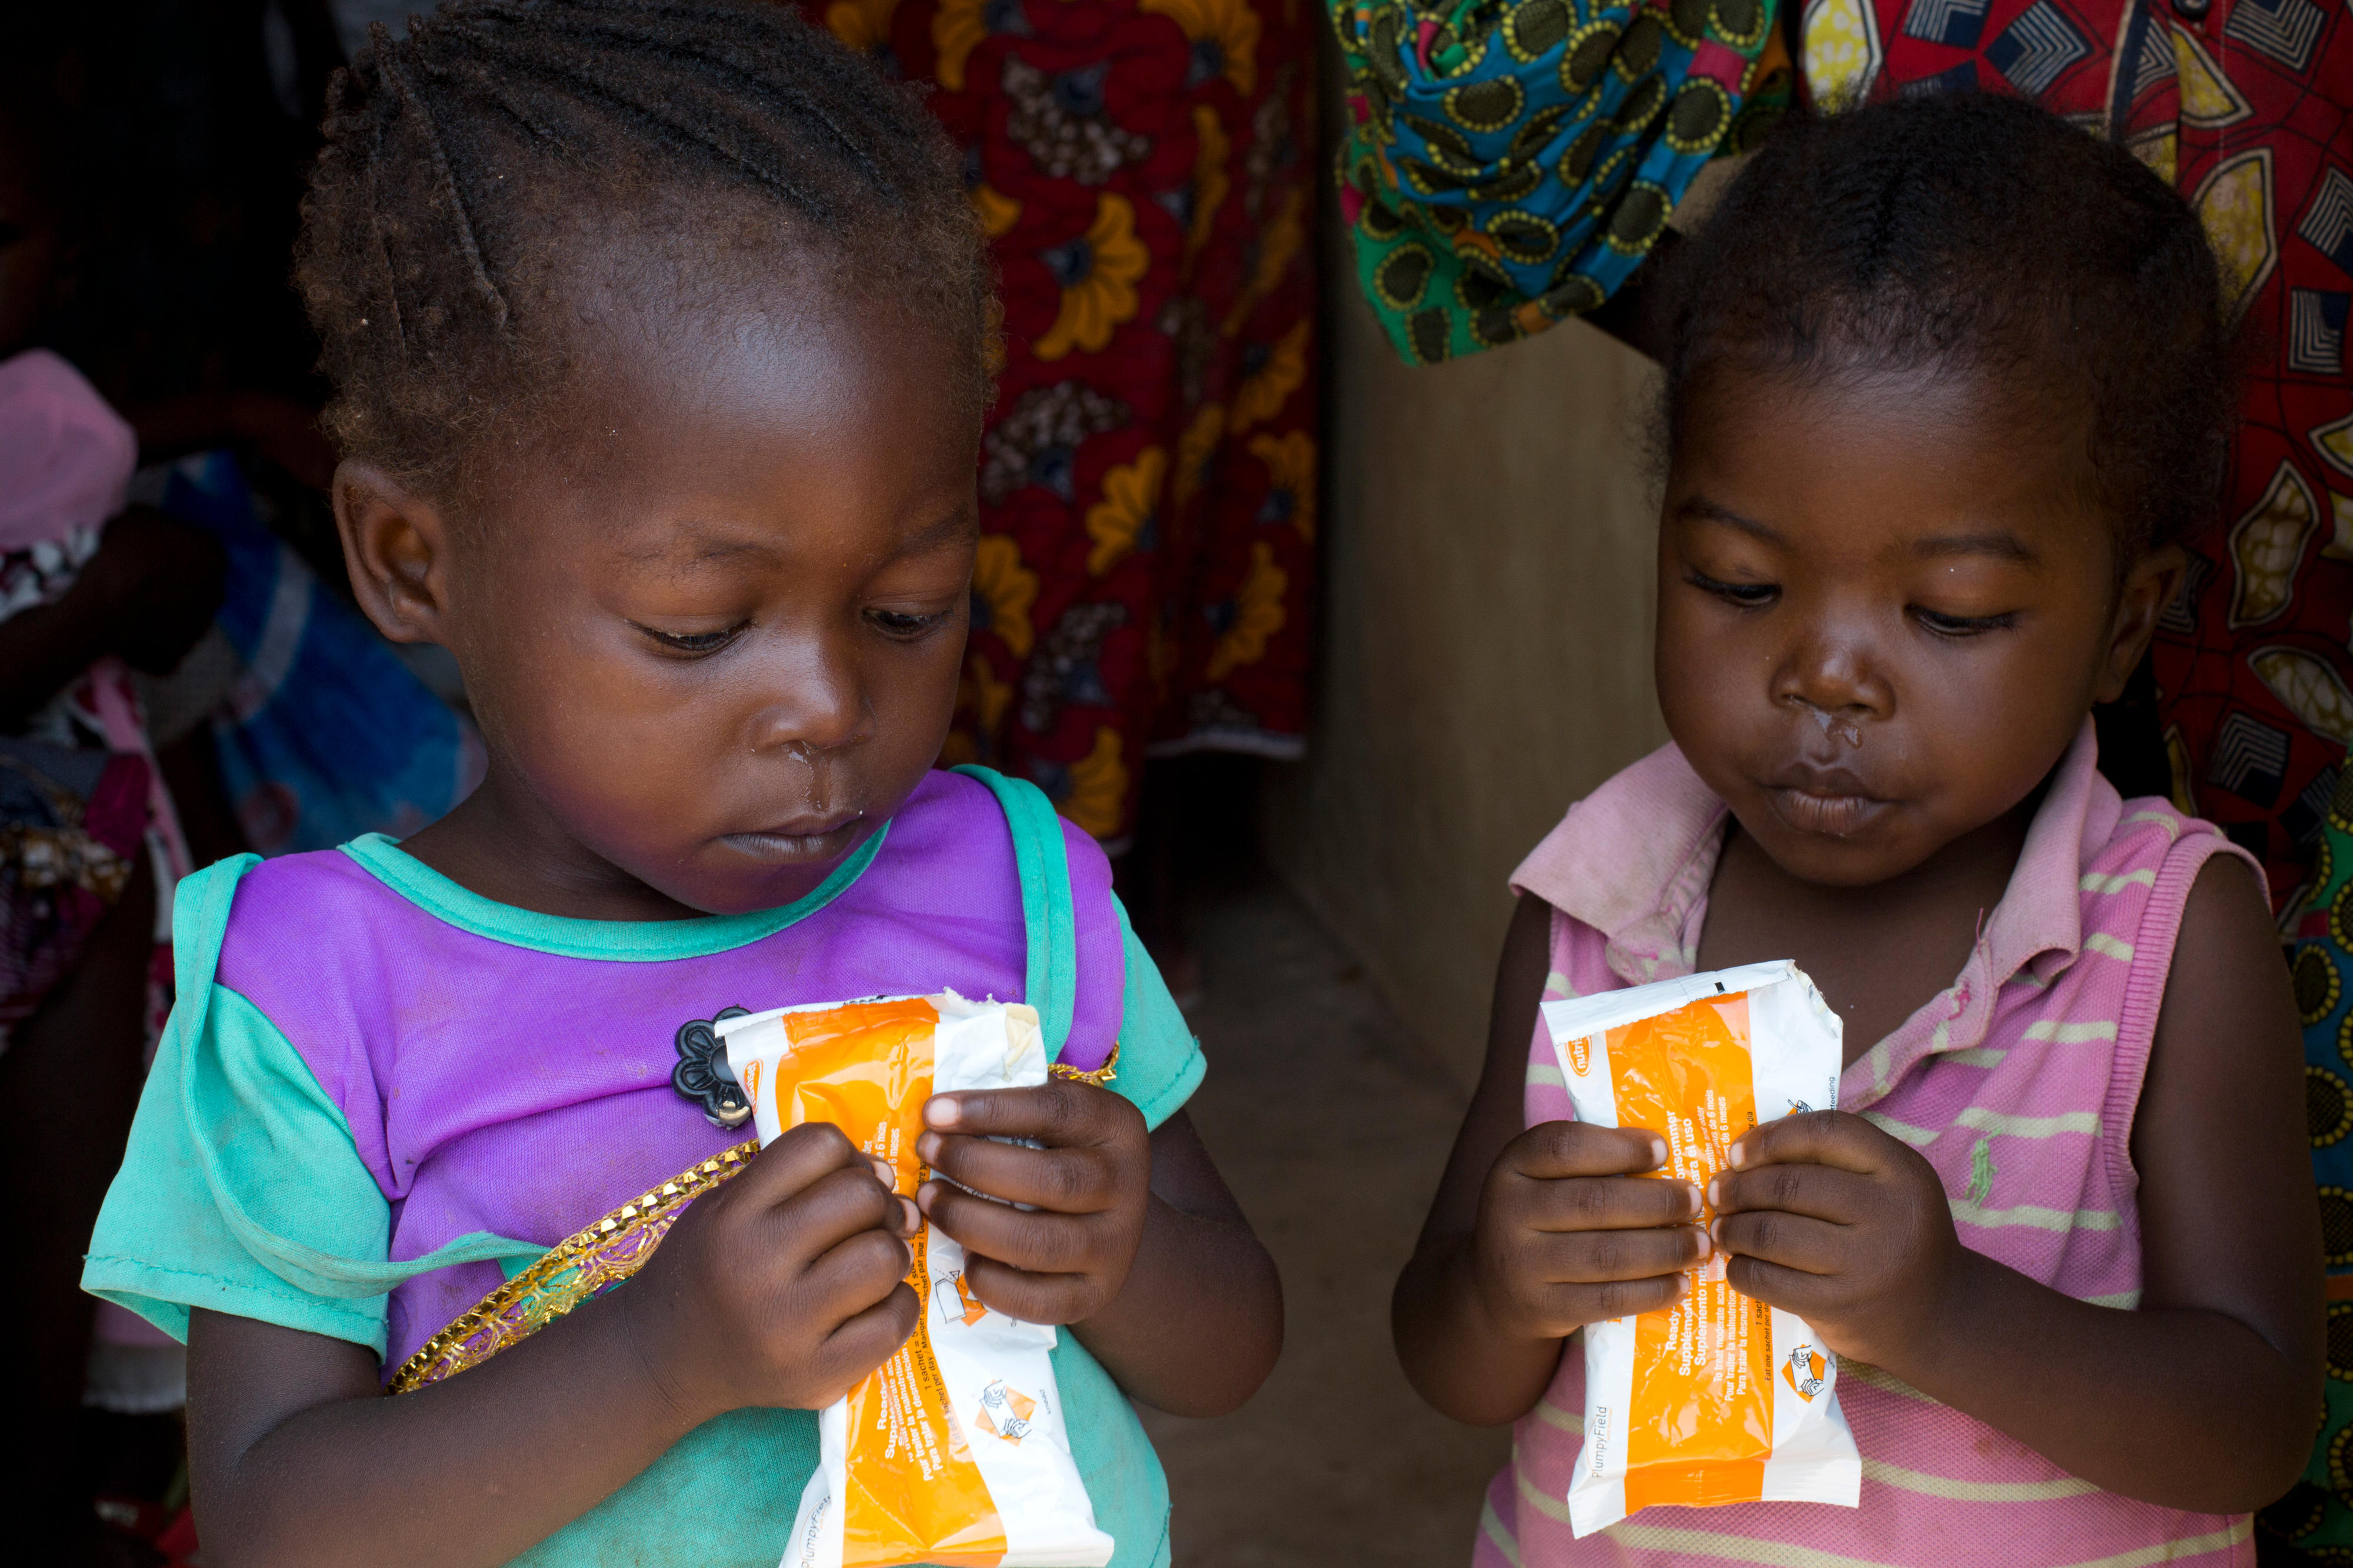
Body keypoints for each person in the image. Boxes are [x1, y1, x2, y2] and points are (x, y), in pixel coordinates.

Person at [79, 4, 1282, 1565]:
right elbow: (273, 1519)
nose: (831, 708)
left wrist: (1122, 1254)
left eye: (908, 606)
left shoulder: (1016, 887)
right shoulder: (321, 1001)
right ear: (410, 561)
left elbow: (1234, 1342)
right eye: (700, 629)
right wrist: (658, 1359)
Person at [1392, 94, 2319, 1566]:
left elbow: (2257, 1416)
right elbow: (1448, 1358)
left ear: (2118, 626)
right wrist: (1505, 1285)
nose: (1822, 674)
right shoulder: (1595, 907)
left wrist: (1946, 1314)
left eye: (1946, 613)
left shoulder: (2160, 940)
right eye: (1738, 583)